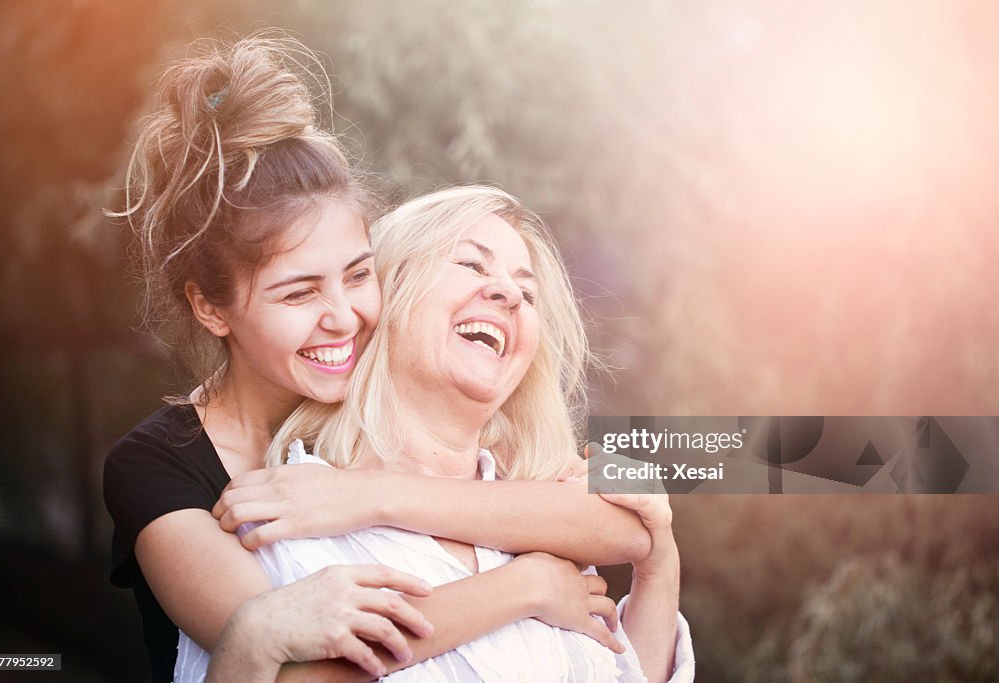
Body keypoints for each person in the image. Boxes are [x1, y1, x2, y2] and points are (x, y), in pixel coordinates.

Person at [103, 34, 670, 683]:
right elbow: (291, 667)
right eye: (299, 292)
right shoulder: (164, 465)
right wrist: (531, 584)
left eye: (358, 275)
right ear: (210, 308)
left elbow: (620, 526)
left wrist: (367, 494)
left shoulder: (380, 391)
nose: (345, 317)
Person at [178, 186, 694, 682]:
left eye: (527, 290)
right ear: (388, 294)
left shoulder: (547, 531)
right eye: (471, 264)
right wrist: (525, 588)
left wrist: (659, 562)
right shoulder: (287, 517)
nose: (509, 292)